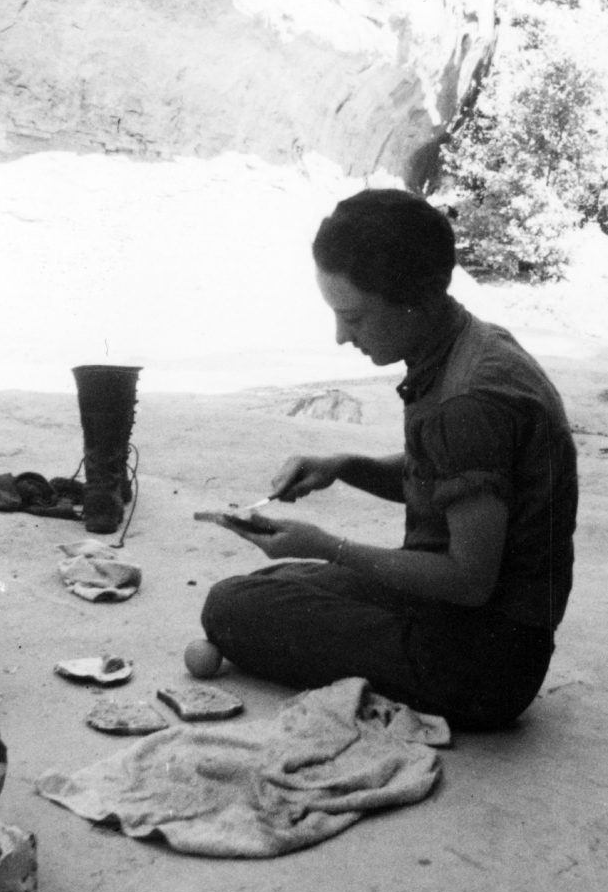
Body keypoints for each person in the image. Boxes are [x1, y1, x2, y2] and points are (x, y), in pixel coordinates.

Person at [200, 189, 578, 729]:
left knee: (231, 609)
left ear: (414, 301)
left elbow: (470, 580)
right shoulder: (472, 342)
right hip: (464, 620)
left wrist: (333, 548)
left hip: (482, 660)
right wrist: (345, 466)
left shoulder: (468, 401)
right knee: (264, 589)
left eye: (352, 317)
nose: (339, 337)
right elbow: (441, 478)